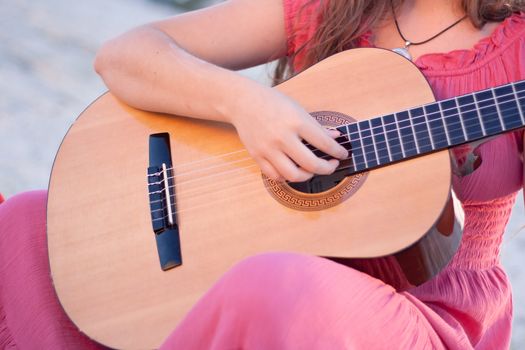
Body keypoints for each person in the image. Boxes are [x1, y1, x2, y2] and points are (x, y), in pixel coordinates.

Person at [1, 0, 524, 348]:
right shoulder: (339, 6)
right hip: (261, 259)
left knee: (270, 282)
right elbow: (125, 56)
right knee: (27, 224)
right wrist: (247, 106)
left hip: (419, 312)